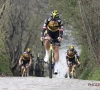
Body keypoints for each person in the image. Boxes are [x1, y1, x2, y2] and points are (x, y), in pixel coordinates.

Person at [40, 10, 63, 74]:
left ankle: (56, 66)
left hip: (56, 33)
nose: (53, 21)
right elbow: (44, 28)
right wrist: (42, 36)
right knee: (47, 40)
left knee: (56, 49)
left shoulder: (60, 21)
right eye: (52, 19)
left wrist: (60, 37)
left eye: (55, 20)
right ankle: (47, 54)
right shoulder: (47, 20)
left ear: (57, 19)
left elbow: (61, 30)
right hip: (49, 32)